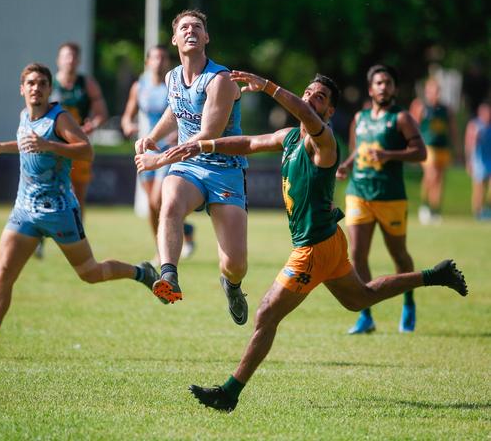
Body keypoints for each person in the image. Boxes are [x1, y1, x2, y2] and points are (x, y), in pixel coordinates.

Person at [165, 70, 467, 413]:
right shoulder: (291, 136)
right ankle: (437, 274)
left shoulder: (325, 143)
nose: (310, 98)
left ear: (328, 113)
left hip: (313, 248)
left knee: (265, 314)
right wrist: (203, 145)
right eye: (308, 91)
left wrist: (267, 87)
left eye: (320, 97)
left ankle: (229, 393)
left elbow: (305, 115)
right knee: (360, 298)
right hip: (330, 240)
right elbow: (249, 143)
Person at [0, 63, 161, 359]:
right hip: (24, 211)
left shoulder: (59, 118)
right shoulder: (24, 116)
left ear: (49, 89)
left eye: (42, 83)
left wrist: (51, 145)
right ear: (22, 89)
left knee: (90, 273)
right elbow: (29, 145)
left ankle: (139, 272)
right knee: (3, 271)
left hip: (60, 210)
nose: (36, 88)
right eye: (31, 83)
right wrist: (1, 147)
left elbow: (86, 150)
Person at [134, 9, 249, 325]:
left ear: (206, 37)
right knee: (168, 202)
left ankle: (232, 285)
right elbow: (175, 110)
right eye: (184, 27)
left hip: (224, 168)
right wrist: (152, 138)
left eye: (197, 26)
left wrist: (159, 158)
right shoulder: (172, 77)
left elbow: (207, 137)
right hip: (189, 168)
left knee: (235, 263)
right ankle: (168, 276)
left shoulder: (220, 80)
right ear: (174, 39)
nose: (190, 31)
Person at [336, 65, 427, 334]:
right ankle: (366, 315)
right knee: (357, 254)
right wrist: (347, 165)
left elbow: (420, 153)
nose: (383, 87)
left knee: (398, 254)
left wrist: (389, 155)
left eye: (388, 82)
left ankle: (408, 302)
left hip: (390, 197)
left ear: (395, 88)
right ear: (370, 88)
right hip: (358, 194)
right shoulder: (360, 118)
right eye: (378, 83)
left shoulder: (402, 118)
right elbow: (358, 150)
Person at [33, 42, 110, 260]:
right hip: (52, 148)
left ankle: (77, 240)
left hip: (77, 148)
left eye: (74, 57)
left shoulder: (86, 83)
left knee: (78, 195)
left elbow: (101, 113)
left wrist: (91, 126)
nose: (70, 60)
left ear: (78, 60)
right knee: (45, 191)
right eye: (66, 56)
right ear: (59, 59)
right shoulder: (50, 84)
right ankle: (38, 239)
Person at [120, 45, 195, 262]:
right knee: (154, 207)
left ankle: (171, 243)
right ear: (147, 62)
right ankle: (165, 245)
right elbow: (127, 114)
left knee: (156, 201)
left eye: (164, 58)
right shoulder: (140, 86)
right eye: (156, 57)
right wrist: (127, 126)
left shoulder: (174, 83)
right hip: (147, 149)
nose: (160, 61)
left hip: (170, 149)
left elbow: (183, 113)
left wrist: (179, 133)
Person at [409, 78, 459, 224]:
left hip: (442, 147)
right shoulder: (421, 106)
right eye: (432, 90)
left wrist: (456, 146)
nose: (435, 94)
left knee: (440, 179)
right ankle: (425, 206)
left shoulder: (445, 109)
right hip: (427, 147)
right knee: (431, 174)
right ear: (427, 91)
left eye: (437, 91)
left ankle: (435, 209)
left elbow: (453, 128)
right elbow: (413, 126)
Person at [465, 100, 491, 220]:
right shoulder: (475, 125)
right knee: (479, 187)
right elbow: (470, 144)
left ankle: (486, 209)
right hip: (478, 161)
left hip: (489, 159)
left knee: (488, 187)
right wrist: (469, 161)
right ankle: (477, 212)